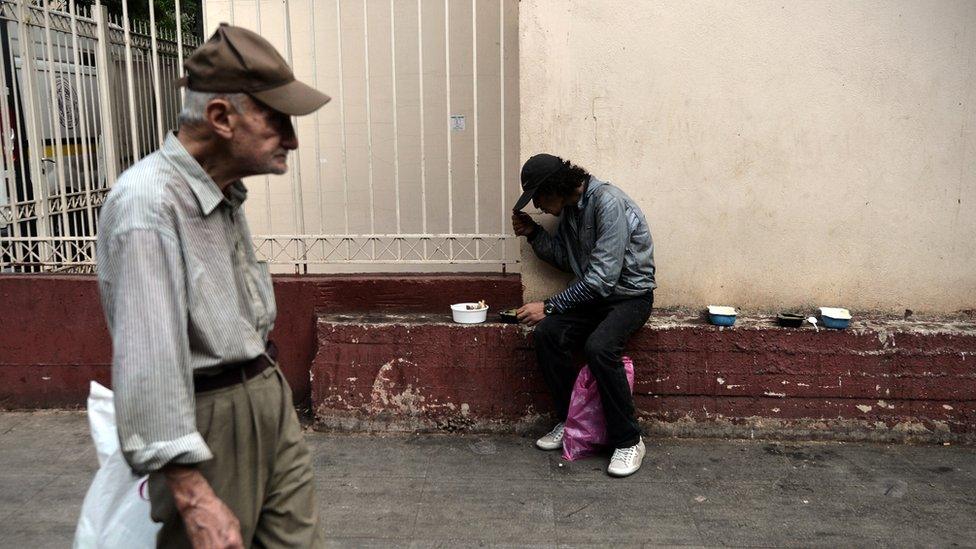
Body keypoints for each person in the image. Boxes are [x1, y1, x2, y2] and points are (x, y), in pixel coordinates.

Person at [96, 24, 330, 547]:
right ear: (221, 117)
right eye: (276, 120)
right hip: (208, 419)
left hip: (264, 395)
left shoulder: (219, 188)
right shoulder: (148, 204)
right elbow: (149, 360)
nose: (290, 139)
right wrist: (189, 490)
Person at [511, 153, 656, 478]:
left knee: (600, 347)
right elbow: (568, 260)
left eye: (538, 198)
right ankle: (571, 421)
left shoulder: (608, 203)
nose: (539, 206)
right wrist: (534, 234)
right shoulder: (573, 211)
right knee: (548, 334)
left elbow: (602, 279)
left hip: (630, 297)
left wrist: (548, 306)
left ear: (553, 188)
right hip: (596, 298)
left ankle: (630, 439)